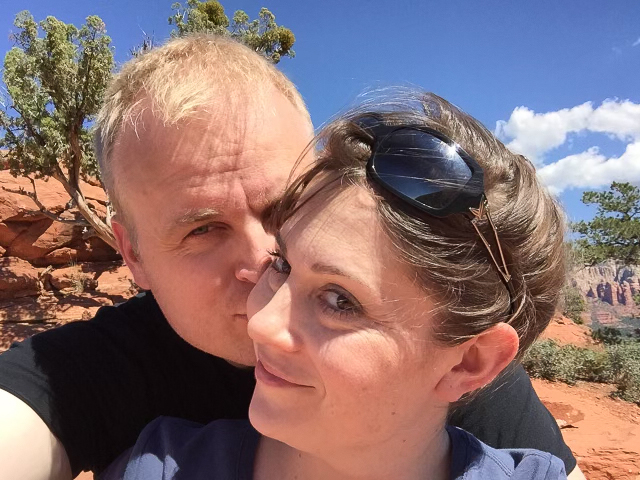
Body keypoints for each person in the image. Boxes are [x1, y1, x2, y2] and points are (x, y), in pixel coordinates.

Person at [0, 35, 583, 479]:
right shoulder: (103, 368)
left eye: (282, 209)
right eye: (204, 229)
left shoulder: (439, 355)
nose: (264, 267)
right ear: (133, 253)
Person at [100, 92, 568, 479]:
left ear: (470, 361)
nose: (260, 323)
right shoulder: (160, 467)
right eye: (282, 264)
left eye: (339, 301)